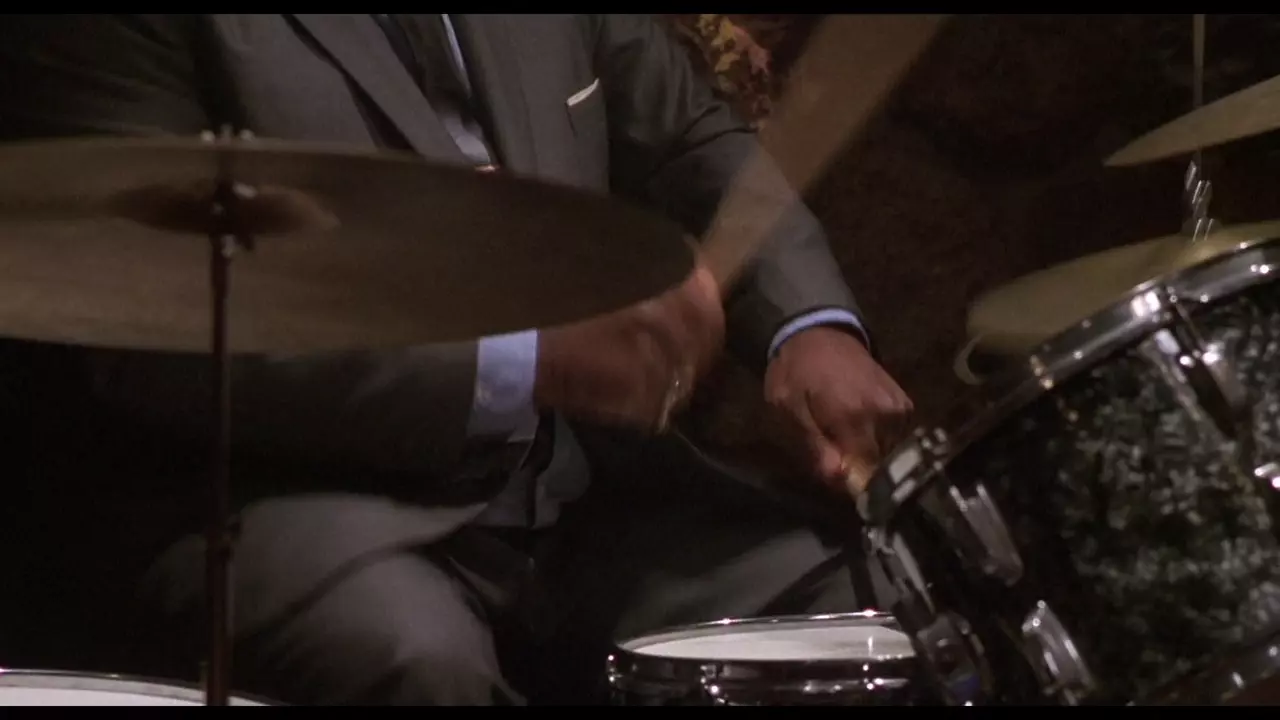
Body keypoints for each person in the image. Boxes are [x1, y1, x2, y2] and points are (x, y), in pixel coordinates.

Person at [0, 14, 913, 705]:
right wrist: (522, 358)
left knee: (861, 610)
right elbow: (145, 316)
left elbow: (686, 141)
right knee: (411, 663)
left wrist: (809, 326)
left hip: (578, 487)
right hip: (279, 500)